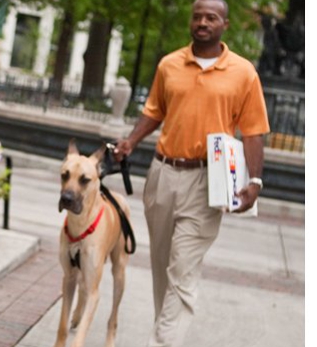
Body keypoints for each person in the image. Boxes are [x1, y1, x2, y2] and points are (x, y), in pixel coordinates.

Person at [112, 0, 270, 345]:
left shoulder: (243, 72)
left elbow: (254, 130)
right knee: (162, 266)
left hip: (208, 180)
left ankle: (163, 342)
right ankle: (166, 333)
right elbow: (155, 111)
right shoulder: (170, 64)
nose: (202, 22)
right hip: (162, 174)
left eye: (211, 17)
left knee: (182, 269)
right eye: (197, 16)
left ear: (224, 24)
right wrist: (131, 142)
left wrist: (254, 181)